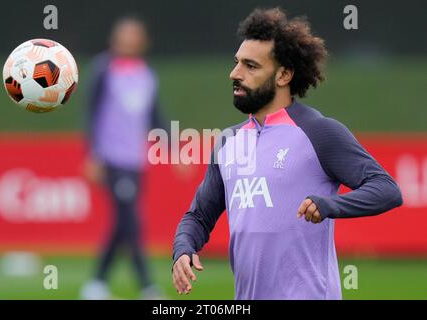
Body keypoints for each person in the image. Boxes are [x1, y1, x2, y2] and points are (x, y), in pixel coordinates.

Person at [172, 7, 403, 300]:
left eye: (250, 66)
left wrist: (330, 205)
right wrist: (183, 248)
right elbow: (198, 217)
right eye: (236, 63)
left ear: (283, 75)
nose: (235, 73)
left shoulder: (320, 132)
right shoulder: (228, 142)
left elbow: (387, 189)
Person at [80, 17, 166, 300]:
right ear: (115, 39)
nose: (129, 40)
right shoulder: (104, 69)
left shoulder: (146, 74)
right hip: (111, 158)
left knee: (122, 223)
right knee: (131, 220)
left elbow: (154, 116)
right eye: (125, 35)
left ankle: (96, 283)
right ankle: (146, 286)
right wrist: (91, 154)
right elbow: (90, 113)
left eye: (135, 35)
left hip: (135, 159)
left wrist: (172, 146)